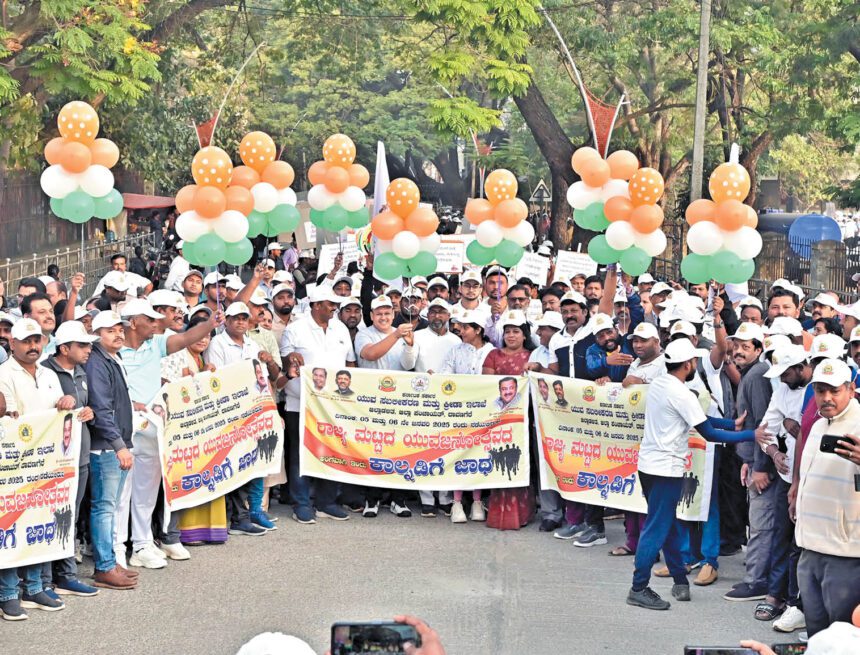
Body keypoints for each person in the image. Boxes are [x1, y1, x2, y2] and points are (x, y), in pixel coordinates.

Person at [626, 337, 760, 610]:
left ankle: (680, 581)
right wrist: (751, 434)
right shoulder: (680, 392)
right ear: (689, 364)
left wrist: (732, 424)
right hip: (666, 469)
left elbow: (698, 417)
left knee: (670, 524)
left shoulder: (662, 384)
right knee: (656, 528)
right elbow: (707, 432)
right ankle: (638, 587)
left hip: (649, 466)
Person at [116, 298, 226, 568]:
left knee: (146, 491)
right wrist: (130, 405)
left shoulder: (156, 343)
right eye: (149, 320)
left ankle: (142, 545)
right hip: (121, 430)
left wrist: (212, 323)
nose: (156, 323)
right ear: (132, 323)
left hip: (153, 428)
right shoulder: (113, 348)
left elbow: (188, 336)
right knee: (119, 495)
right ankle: (116, 548)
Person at [0, 318, 77, 619]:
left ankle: (34, 587)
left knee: (38, 522)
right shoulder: (4, 373)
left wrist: (66, 400)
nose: (33, 346)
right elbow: (9, 415)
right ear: (13, 343)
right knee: (11, 525)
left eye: (37, 340)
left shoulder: (48, 373)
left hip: (45, 462)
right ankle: (7, 593)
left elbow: (57, 405)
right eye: (26, 341)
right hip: (14, 463)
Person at [795, 358, 860, 636]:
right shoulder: (819, 424)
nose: (827, 397)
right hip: (810, 549)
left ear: (852, 389)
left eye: (835, 390)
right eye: (821, 390)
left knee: (843, 639)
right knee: (817, 636)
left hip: (846, 555)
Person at [280, 286, 356, 524]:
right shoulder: (295, 329)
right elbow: (285, 362)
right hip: (300, 403)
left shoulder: (340, 328)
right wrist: (292, 359)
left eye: (335, 304)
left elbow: (350, 362)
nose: (334, 307)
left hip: (334, 405)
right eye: (329, 303)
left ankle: (326, 502)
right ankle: (301, 503)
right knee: (300, 456)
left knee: (331, 452)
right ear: (315, 305)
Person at [205, 302, 279, 536]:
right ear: (226, 321)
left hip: (255, 410)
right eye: (235, 318)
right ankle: (239, 517)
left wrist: (271, 410)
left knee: (257, 459)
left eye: (244, 319)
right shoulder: (218, 343)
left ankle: (254, 509)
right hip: (231, 413)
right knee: (237, 462)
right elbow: (218, 380)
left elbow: (263, 380)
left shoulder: (253, 344)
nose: (240, 322)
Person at [42, 320, 99, 598]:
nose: (89, 349)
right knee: (50, 517)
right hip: (54, 461)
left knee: (71, 517)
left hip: (80, 455)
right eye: (82, 345)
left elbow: (85, 407)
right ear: (64, 348)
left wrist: (89, 412)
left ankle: (63, 575)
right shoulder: (44, 372)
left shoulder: (80, 371)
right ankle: (46, 579)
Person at [160, 312, 226, 546]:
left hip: (203, 429)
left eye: (208, 335)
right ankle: (182, 532)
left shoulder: (203, 360)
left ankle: (207, 530)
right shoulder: (177, 356)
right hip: (181, 429)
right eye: (199, 334)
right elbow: (168, 386)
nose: (203, 339)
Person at [85, 311, 138, 591]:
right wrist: (119, 445)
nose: (118, 334)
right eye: (110, 330)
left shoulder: (112, 358)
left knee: (110, 506)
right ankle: (104, 566)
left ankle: (109, 562)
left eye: (120, 329)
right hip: (105, 447)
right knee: (104, 507)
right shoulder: (96, 362)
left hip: (115, 444)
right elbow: (102, 410)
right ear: (96, 333)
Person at [355, 295, 417, 517]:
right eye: (378, 313)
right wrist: (396, 335)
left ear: (394, 314)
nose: (383, 317)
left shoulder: (402, 334)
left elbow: (408, 365)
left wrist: (409, 346)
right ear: (371, 316)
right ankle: (373, 499)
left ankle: (397, 500)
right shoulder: (365, 334)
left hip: (397, 401)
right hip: (371, 402)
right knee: (374, 449)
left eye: (387, 313)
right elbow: (370, 354)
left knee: (399, 450)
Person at [482, 310, 535, 530]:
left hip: (524, 419)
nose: (511, 336)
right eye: (507, 332)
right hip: (499, 419)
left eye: (516, 332)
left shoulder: (533, 357)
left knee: (521, 461)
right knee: (500, 462)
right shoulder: (494, 355)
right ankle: (498, 513)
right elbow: (487, 384)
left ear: (524, 335)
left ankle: (522, 513)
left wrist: (536, 369)